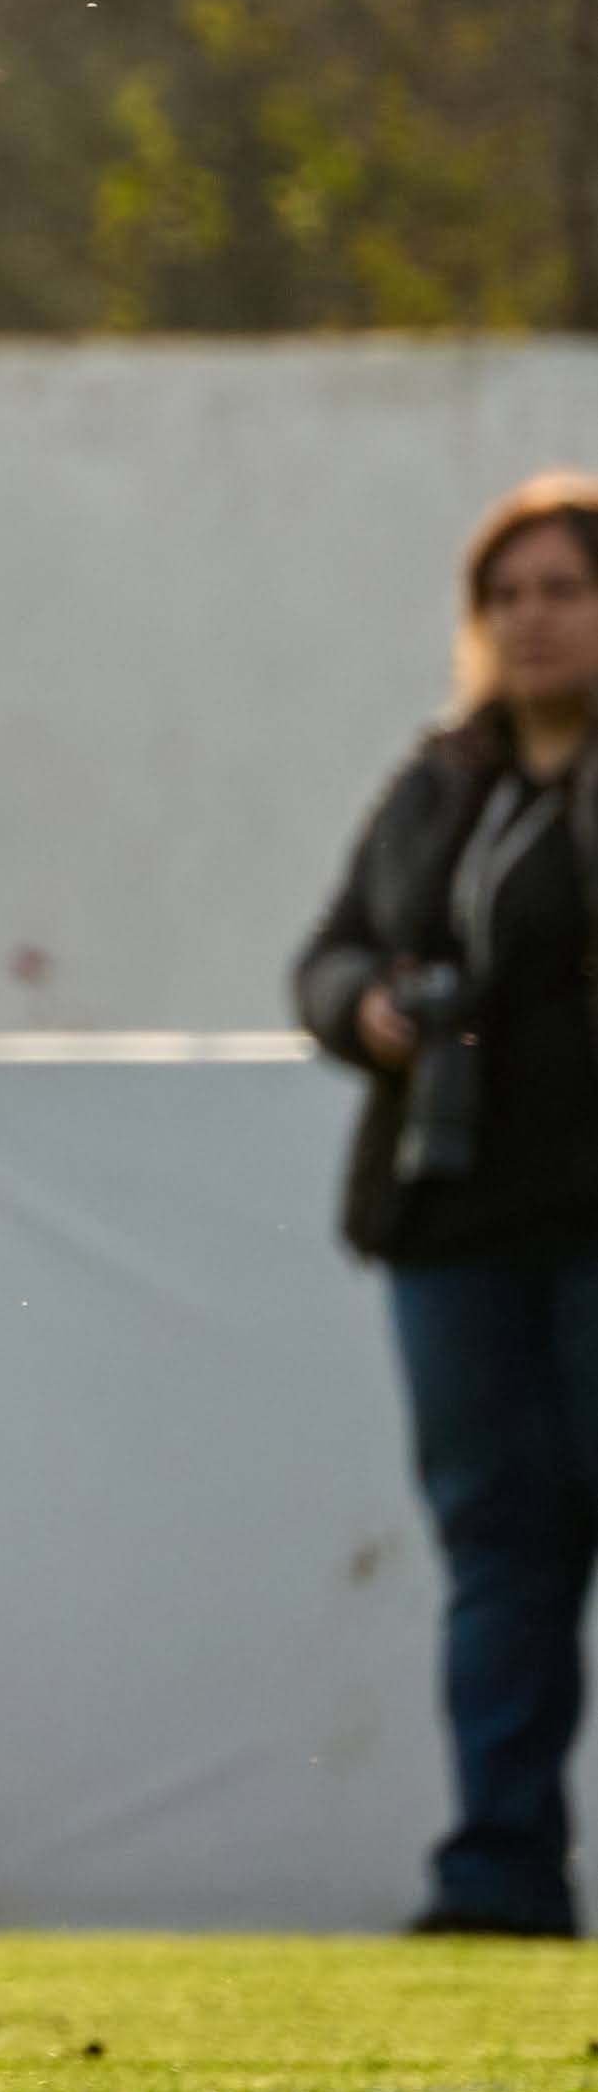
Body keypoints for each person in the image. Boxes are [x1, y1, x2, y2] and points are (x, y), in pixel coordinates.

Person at [295, 472, 598, 1937]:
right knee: (497, 1551)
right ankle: (497, 1872)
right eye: (508, 594)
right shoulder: (437, 782)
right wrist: (366, 1006)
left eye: (564, 589)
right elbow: (325, 954)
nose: (533, 620)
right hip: (457, 1220)